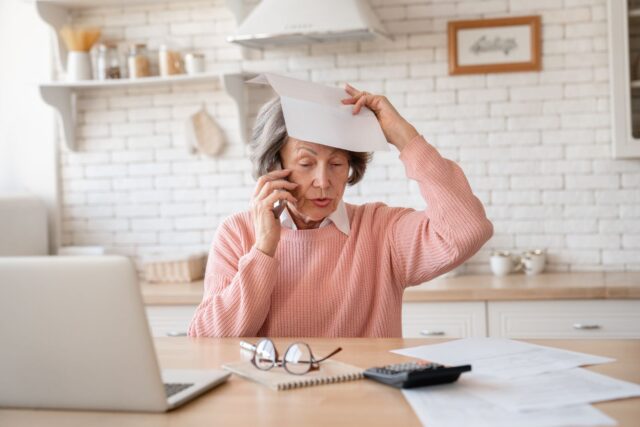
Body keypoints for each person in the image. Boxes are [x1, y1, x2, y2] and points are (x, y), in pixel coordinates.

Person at [189, 83, 493, 338]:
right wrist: (264, 251)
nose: (324, 182)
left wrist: (404, 136)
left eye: (336, 164)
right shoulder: (238, 233)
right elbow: (207, 342)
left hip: (367, 403)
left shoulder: (380, 230)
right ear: (275, 167)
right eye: (306, 164)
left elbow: (467, 231)